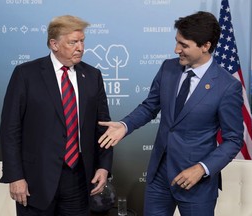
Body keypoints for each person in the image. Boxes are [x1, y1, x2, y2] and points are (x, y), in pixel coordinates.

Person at [98, 11, 243, 216]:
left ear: (205, 46)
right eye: (177, 42)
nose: (176, 50)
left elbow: (233, 139)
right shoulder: (168, 68)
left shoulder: (228, 87)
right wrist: (125, 125)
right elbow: (149, 107)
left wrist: (202, 168)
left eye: (184, 45)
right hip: (159, 177)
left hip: (196, 183)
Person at [0, 15, 113, 216]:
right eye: (73, 42)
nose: (80, 47)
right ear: (54, 44)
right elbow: (10, 129)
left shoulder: (93, 76)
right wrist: (15, 177)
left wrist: (104, 167)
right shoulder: (26, 74)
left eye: (82, 41)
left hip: (78, 177)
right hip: (36, 180)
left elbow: (102, 127)